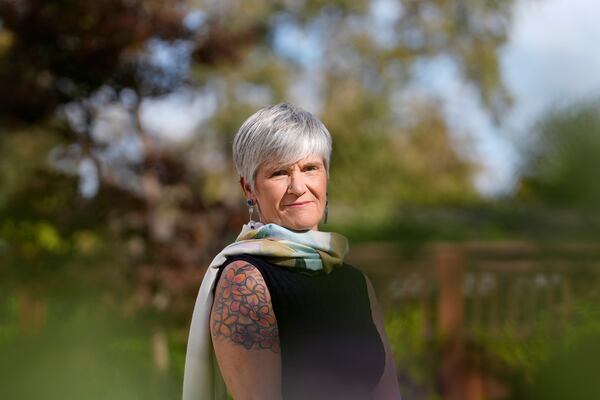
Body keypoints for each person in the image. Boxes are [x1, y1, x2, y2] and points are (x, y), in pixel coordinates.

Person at [182, 103, 401, 400]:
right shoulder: (245, 280)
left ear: (326, 177)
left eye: (310, 168)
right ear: (249, 189)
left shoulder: (356, 282)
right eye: (279, 173)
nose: (298, 186)